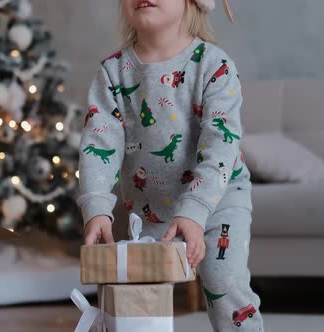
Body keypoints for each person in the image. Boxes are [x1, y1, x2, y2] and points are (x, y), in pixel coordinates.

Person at [77, 0, 264, 330]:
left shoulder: (214, 66)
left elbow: (220, 145)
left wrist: (194, 209)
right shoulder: (112, 72)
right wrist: (97, 207)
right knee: (132, 295)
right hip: (149, 210)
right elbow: (99, 144)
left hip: (219, 202)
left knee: (224, 284)